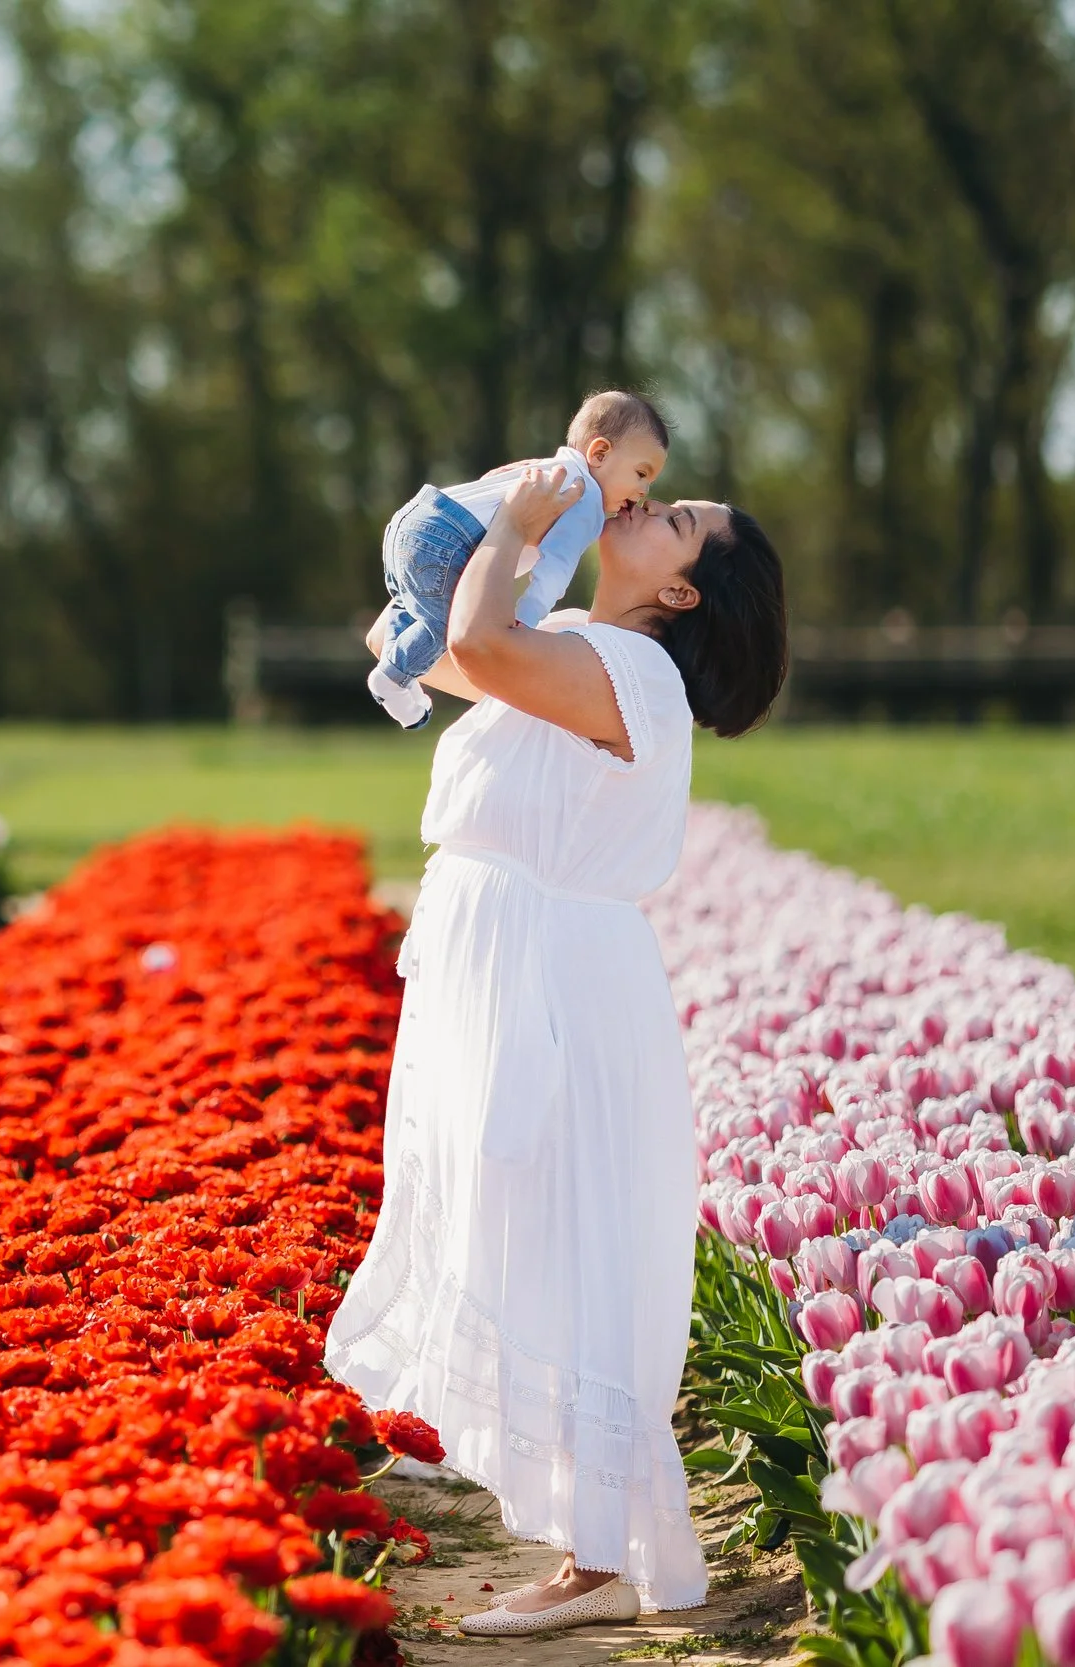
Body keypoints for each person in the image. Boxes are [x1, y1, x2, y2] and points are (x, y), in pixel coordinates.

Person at [323, 462, 788, 1634]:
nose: (647, 506)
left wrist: (521, 533)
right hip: (508, 956)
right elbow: (420, 647)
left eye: (674, 521)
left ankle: (600, 1558)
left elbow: (475, 650)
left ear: (682, 594)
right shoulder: (580, 640)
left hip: (555, 979)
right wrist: (456, 528)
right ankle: (578, 1538)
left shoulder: (627, 670)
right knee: (514, 1220)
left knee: (566, 1237)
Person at [367, 390, 671, 730]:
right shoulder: (583, 499)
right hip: (448, 539)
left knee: (410, 609)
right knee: (445, 627)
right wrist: (523, 622)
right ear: (599, 453)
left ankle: (396, 673)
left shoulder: (545, 469)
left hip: (416, 517)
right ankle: (393, 678)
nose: (644, 491)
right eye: (641, 474)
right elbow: (554, 570)